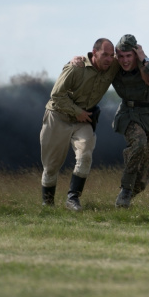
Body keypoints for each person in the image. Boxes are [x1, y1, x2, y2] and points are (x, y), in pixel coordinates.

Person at [40, 38, 119, 211]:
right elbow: (56, 96)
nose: (108, 58)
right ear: (94, 52)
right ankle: (47, 204)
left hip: (83, 119)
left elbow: (130, 59)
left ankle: (72, 199)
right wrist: (78, 112)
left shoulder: (114, 65)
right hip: (58, 116)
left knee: (85, 155)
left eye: (111, 55)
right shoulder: (76, 67)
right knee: (51, 166)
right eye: (104, 54)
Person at [110, 34, 149, 208]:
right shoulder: (114, 68)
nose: (125, 60)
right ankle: (125, 190)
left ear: (136, 53)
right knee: (139, 143)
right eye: (121, 56)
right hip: (128, 114)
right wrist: (78, 60)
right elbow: (96, 62)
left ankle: (126, 198)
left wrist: (144, 61)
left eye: (129, 55)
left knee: (144, 178)